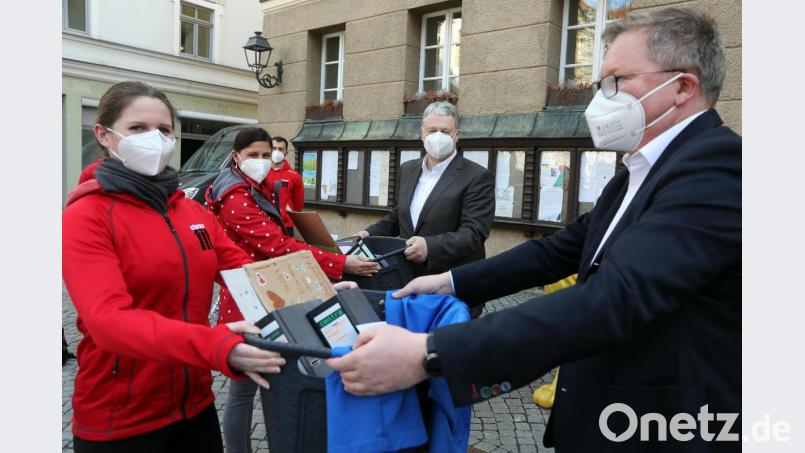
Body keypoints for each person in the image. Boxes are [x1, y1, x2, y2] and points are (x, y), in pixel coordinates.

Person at [329, 7, 740, 452]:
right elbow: (558, 252)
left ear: (682, 87)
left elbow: (615, 298)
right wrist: (450, 281)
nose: (601, 99)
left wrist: (430, 353)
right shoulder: (638, 170)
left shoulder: (717, 167)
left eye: (615, 81)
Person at [62, 81, 286, 453]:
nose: (155, 139)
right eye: (138, 129)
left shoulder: (191, 211)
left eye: (163, 130)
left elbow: (246, 271)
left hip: (194, 406)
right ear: (103, 134)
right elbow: (108, 322)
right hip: (121, 419)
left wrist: (319, 291)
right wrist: (216, 346)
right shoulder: (86, 216)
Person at [204, 126, 378, 453]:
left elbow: (285, 231)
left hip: (271, 291)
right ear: (236, 157)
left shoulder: (259, 185)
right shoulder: (236, 196)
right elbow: (278, 246)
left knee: (277, 381)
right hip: (248, 301)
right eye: (252, 155)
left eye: (265, 155)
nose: (261, 161)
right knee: (242, 391)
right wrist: (339, 264)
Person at [357, 101, 495, 317]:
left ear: (457, 135)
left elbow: (473, 233)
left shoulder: (477, 176)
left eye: (445, 131)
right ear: (422, 134)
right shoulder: (408, 169)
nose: (438, 136)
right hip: (406, 279)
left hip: (450, 287)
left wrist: (430, 246)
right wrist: (368, 234)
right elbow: (398, 216)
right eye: (432, 130)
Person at [265, 135, 304, 236]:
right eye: (274, 148)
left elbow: (298, 204)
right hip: (265, 223)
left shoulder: (294, 176)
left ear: (286, 152)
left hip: (286, 226)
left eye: (281, 149)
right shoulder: (262, 173)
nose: (277, 151)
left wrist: (287, 216)